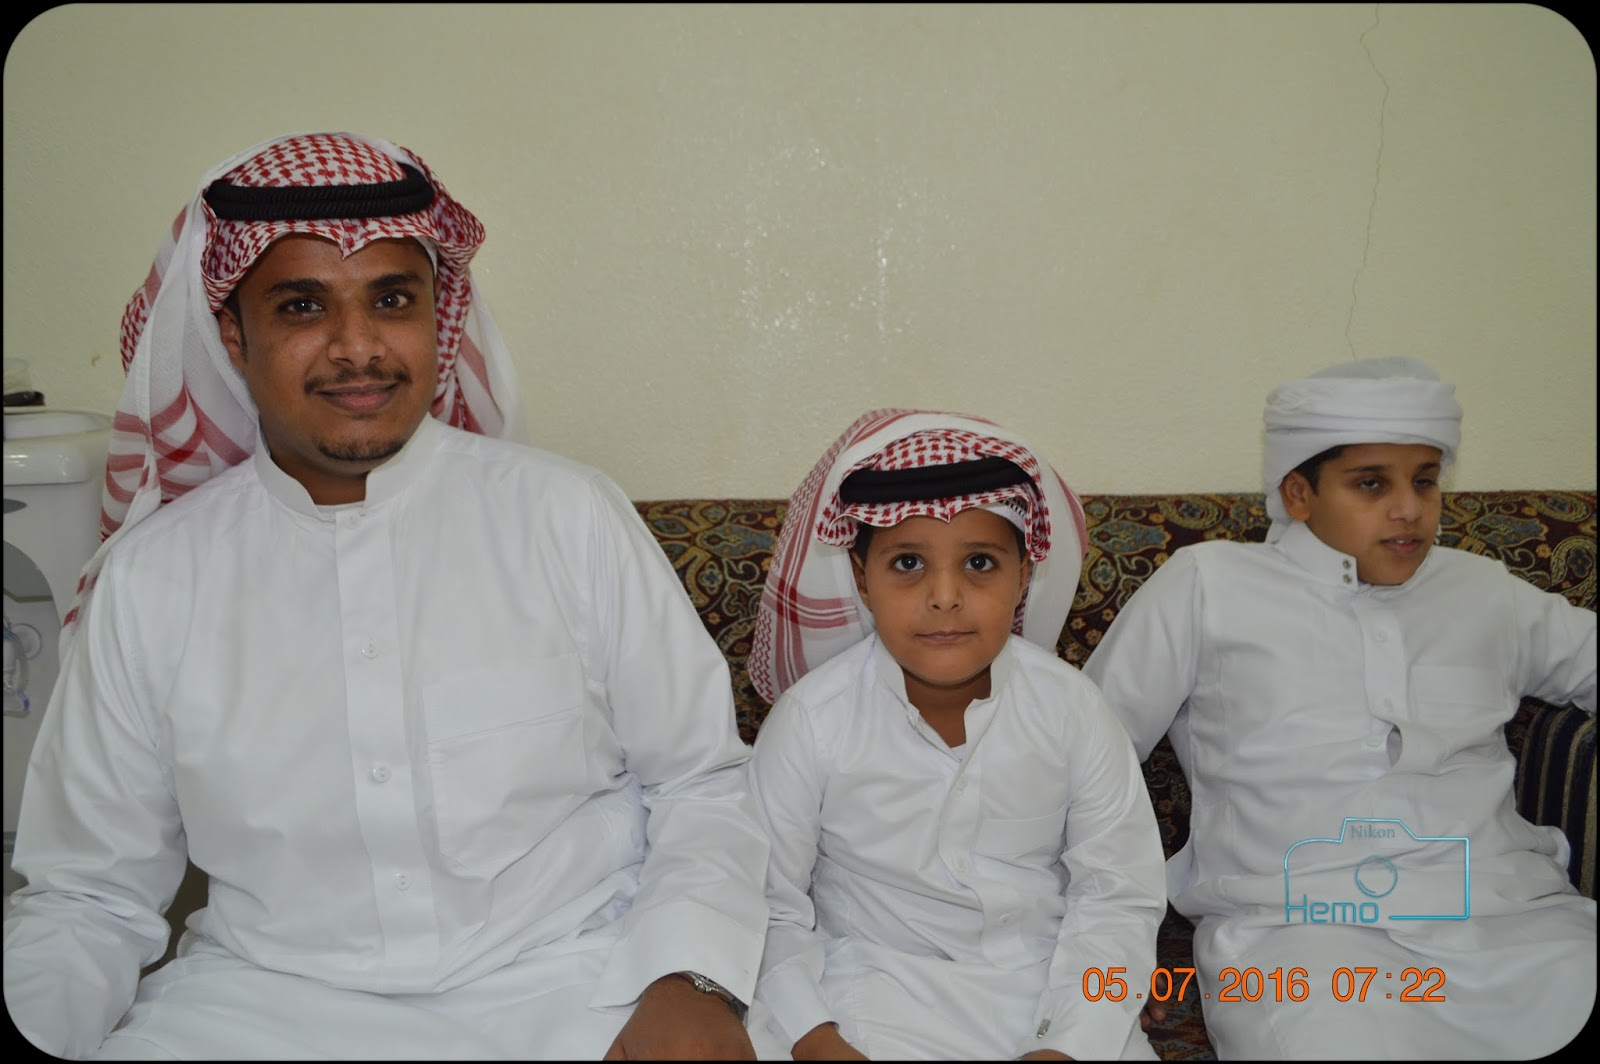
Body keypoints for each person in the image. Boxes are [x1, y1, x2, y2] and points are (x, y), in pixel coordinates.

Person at [2, 132, 770, 1060]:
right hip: (260, 1009)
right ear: (235, 337)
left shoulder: (566, 516)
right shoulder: (153, 579)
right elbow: (86, 896)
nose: (357, 347)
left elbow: (700, 783)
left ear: (437, 320)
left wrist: (691, 977)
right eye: (302, 306)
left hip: (573, 985)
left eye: (393, 300)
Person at [1083, 357, 1596, 1059]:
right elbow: (1083, 756)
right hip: (1303, 941)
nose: (1409, 508)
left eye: (1424, 480)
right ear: (1299, 493)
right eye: (1371, 484)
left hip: (1519, 923)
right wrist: (1099, 950)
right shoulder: (1210, 585)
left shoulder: (1485, 590)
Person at [744, 409, 1167, 1061]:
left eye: (979, 563)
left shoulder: (1074, 710)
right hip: (867, 1002)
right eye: (908, 562)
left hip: (1050, 999)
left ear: (1023, 576)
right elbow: (767, 905)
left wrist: (1070, 1044)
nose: (945, 596)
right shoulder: (810, 721)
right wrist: (819, 1041)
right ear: (861, 579)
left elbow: (1118, 899)